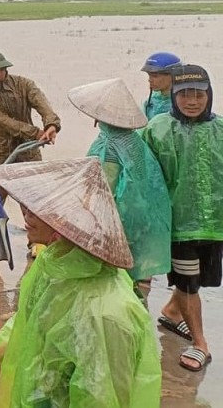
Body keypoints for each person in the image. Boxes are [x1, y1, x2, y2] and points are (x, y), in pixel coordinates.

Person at [0, 157, 161, 406]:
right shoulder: (54, 264)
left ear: (66, 221)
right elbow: (32, 319)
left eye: (38, 208)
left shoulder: (106, 314)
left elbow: (101, 397)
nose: (25, 213)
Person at [143, 64, 223, 372]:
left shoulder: (220, 129)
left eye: (199, 94)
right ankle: (200, 343)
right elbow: (144, 175)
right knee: (189, 283)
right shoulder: (157, 129)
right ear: (174, 95)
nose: (192, 101)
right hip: (177, 226)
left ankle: (172, 312)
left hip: (214, 225)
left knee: (199, 280)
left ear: (209, 95)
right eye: (185, 94)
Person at [67, 78, 171, 287]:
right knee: (125, 278)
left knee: (111, 278)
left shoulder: (110, 143)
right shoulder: (131, 141)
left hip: (113, 218)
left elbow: (111, 184)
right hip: (129, 217)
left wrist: (110, 221)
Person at [0, 50, 61, 175]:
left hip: (27, 145)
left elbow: (43, 105)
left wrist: (51, 125)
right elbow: (1, 121)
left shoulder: (24, 84)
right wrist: (35, 132)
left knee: (34, 183)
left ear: (2, 69)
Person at [141, 51, 181, 120]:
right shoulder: (150, 101)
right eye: (149, 75)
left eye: (155, 76)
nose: (150, 80)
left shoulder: (182, 102)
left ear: (173, 75)